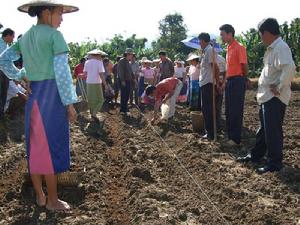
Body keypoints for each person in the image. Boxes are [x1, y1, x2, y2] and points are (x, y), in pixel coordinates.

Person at [0, 0, 78, 211]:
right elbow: (62, 73)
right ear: (46, 12)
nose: (62, 19)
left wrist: (21, 76)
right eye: (60, 13)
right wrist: (70, 104)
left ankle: (41, 196)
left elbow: (4, 60)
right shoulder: (54, 36)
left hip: (34, 96)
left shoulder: (25, 38)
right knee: (51, 148)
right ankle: (53, 201)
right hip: (52, 98)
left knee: (36, 148)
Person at [238, 18, 295, 174]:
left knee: (273, 131)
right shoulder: (273, 48)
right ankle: (256, 155)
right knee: (264, 129)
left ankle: (275, 163)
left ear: (267, 33)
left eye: (261, 34)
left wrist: (279, 86)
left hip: (275, 97)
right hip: (267, 96)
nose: (261, 38)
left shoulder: (280, 48)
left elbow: (290, 68)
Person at [219, 24, 249, 145]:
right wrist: (224, 82)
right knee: (229, 110)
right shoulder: (228, 48)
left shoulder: (239, 47)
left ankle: (236, 138)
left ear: (230, 34)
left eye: (222, 35)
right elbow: (228, 69)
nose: (221, 37)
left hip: (237, 80)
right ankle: (230, 136)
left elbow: (244, 65)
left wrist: (244, 78)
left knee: (236, 110)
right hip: (230, 81)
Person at [198, 33, 220, 140]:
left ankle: (211, 133)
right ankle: (209, 131)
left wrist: (217, 82)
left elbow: (215, 67)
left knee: (208, 109)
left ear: (203, 41)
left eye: (199, 41)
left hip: (208, 83)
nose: (199, 43)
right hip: (204, 82)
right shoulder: (205, 51)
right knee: (206, 108)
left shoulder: (209, 50)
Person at [84, 49, 108, 122]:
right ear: (98, 55)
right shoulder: (99, 62)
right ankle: (94, 113)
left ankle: (92, 114)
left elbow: (85, 74)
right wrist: (105, 84)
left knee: (91, 100)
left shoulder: (87, 62)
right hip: (97, 83)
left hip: (88, 83)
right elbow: (101, 74)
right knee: (101, 99)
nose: (101, 57)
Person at [0, 28, 15, 121]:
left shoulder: (5, 45)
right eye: (12, 36)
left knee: (3, 94)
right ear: (8, 35)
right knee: (1, 94)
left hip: (4, 73)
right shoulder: (1, 45)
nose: (13, 39)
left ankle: (1, 116)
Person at [118, 48, 134, 115]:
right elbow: (121, 71)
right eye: (131, 54)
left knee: (127, 95)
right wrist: (122, 80)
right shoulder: (122, 61)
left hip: (128, 80)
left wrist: (133, 78)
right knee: (123, 95)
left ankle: (125, 108)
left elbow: (130, 72)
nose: (132, 56)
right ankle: (122, 109)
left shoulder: (128, 61)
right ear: (128, 54)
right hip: (124, 80)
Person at [216, 54, 226, 130]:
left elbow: (226, 71)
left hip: (219, 82)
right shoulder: (205, 57)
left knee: (218, 105)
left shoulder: (221, 59)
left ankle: (218, 125)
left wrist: (223, 83)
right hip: (211, 83)